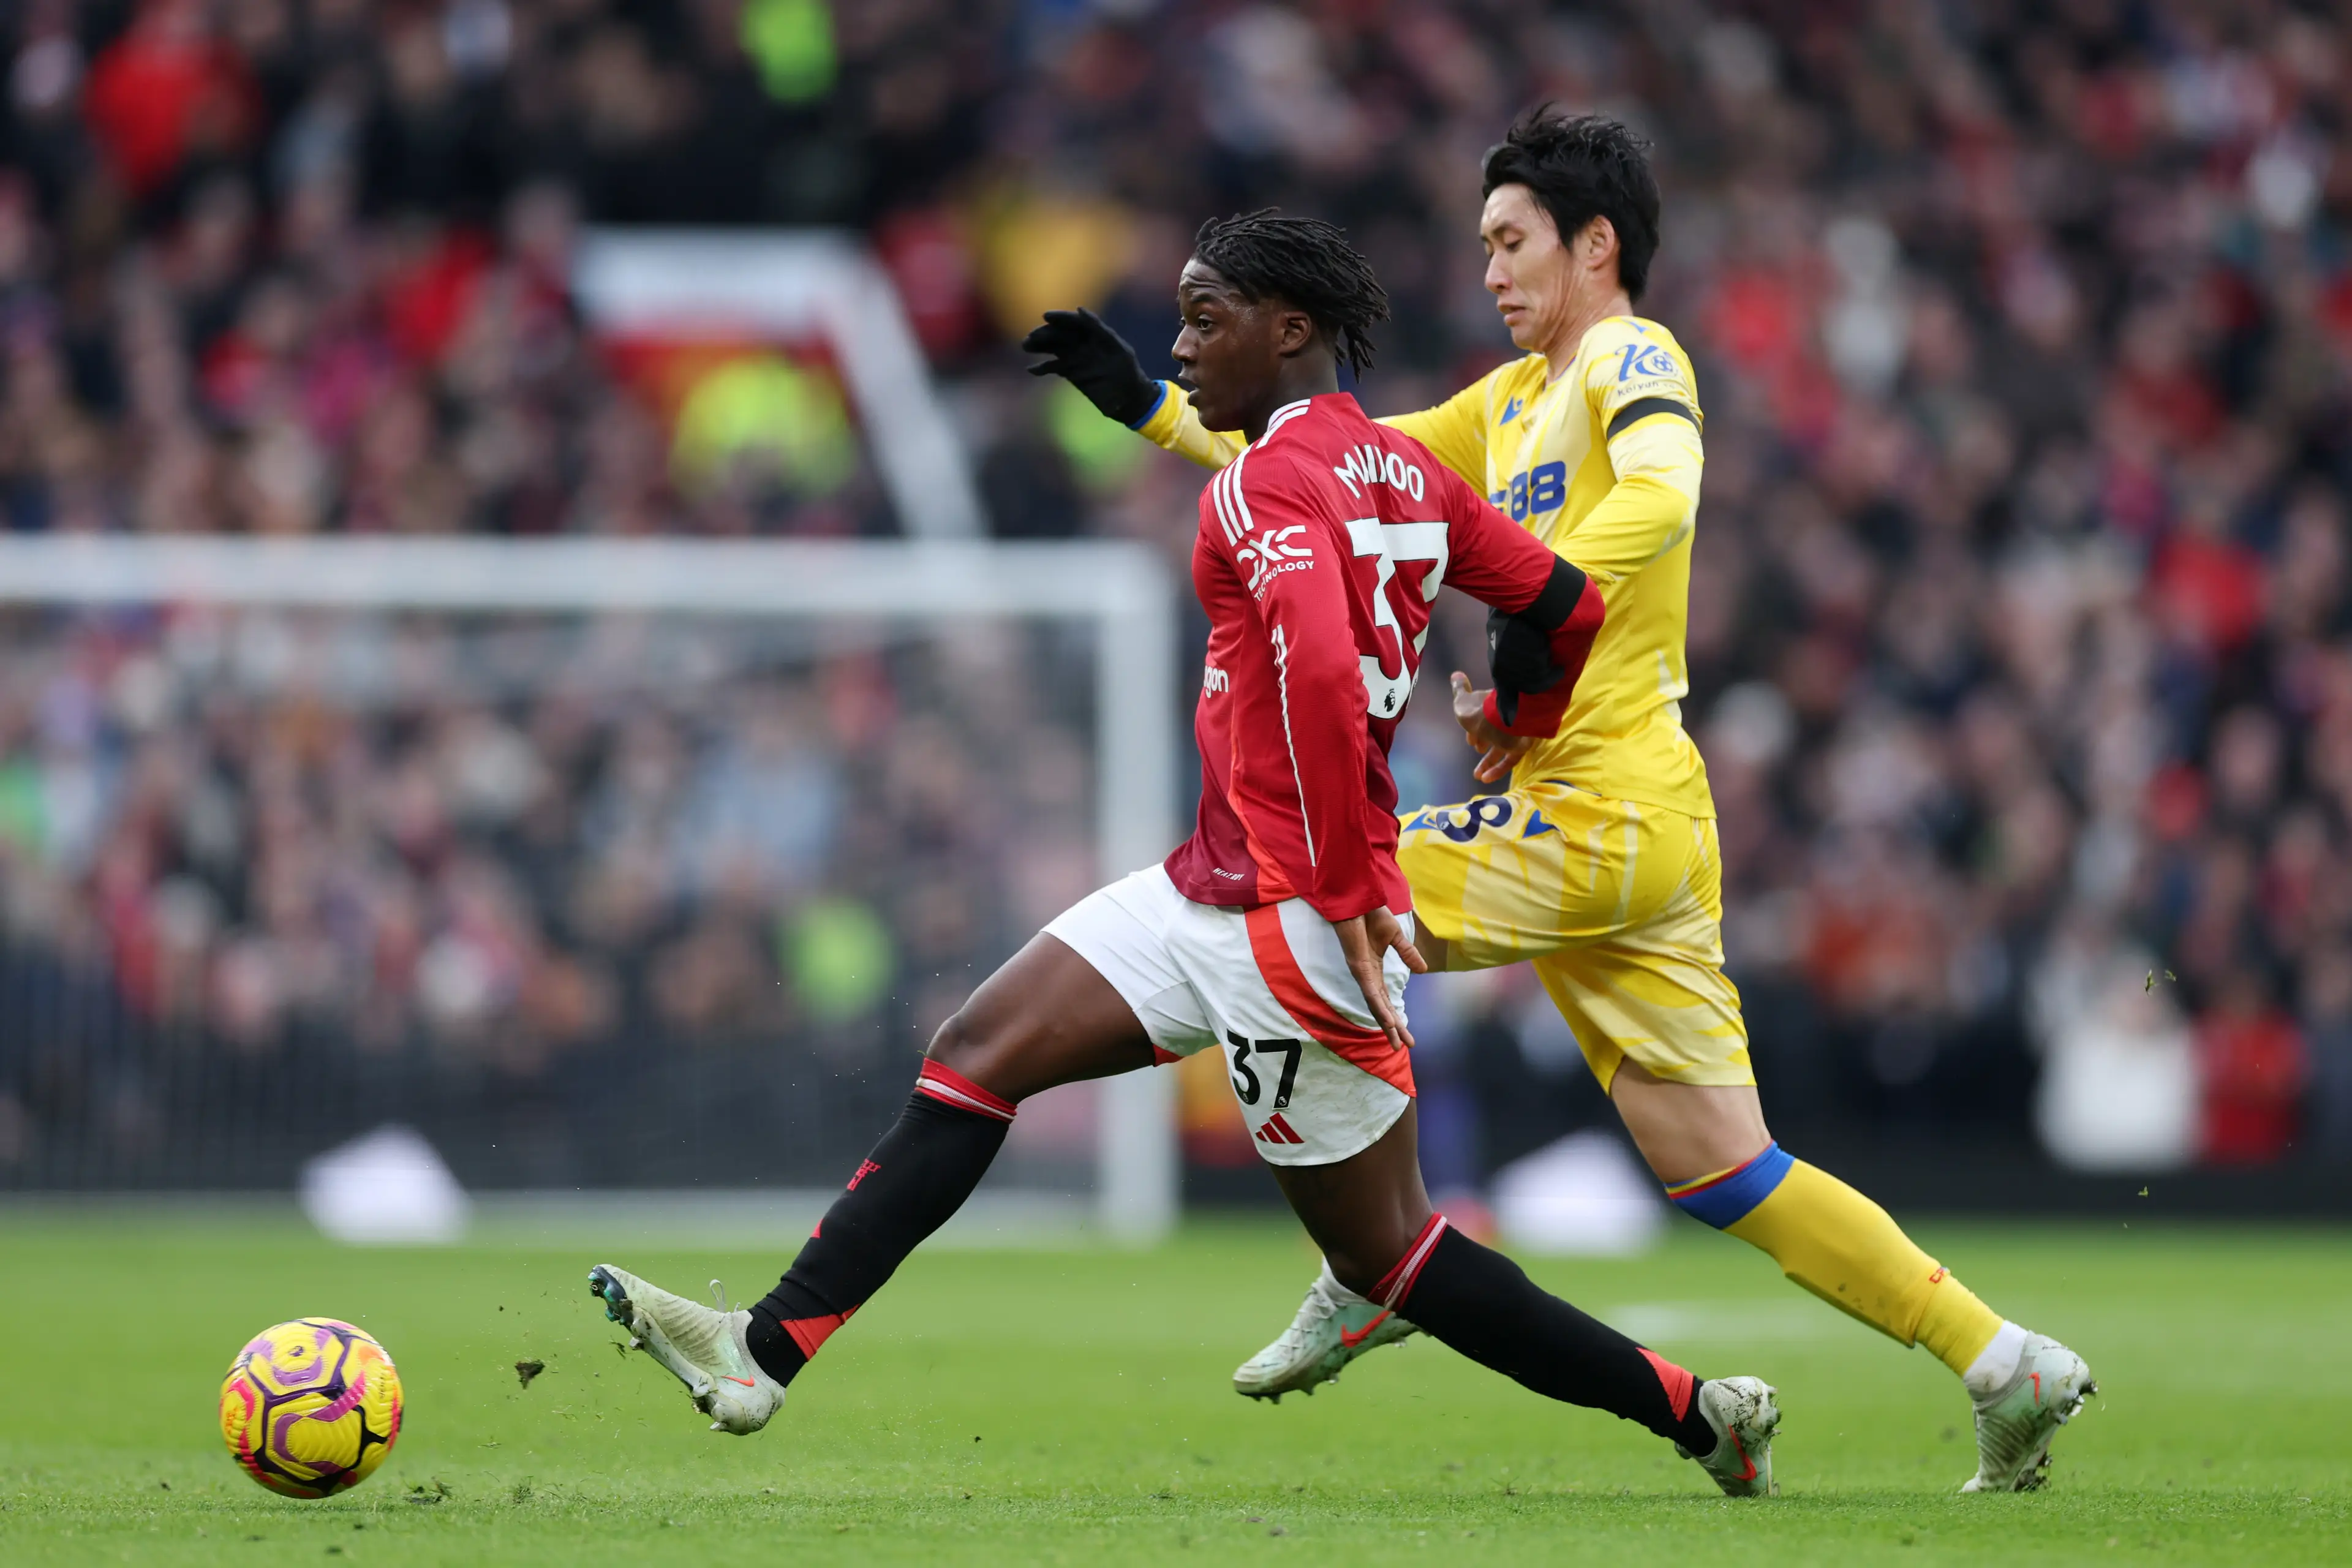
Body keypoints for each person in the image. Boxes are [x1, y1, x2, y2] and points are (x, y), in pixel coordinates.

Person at [590, 211, 1785, 1496]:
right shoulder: (1408, 474)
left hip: (1289, 920)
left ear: (1291, 329)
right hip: (1204, 884)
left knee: (1393, 1258)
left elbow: (1324, 666)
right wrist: (1521, 709)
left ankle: (1694, 1409)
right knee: (976, 1054)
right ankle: (763, 1349)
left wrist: (1349, 883)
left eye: (1207, 319)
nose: (1184, 341)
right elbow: (1565, 599)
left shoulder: (1259, 485)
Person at [1025, 110, 2091, 1494]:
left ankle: (1365, 1267)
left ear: (1597, 244)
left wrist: (1546, 608)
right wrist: (1154, 410)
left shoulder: (1630, 358)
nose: (1490, 270)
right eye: (1481, 246)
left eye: (1512, 240)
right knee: (1720, 1163)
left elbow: (1666, 488)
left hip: (1607, 803)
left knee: (1306, 890)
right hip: (1621, 815)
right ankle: (2003, 1359)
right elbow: (1324, 475)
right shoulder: (1508, 401)